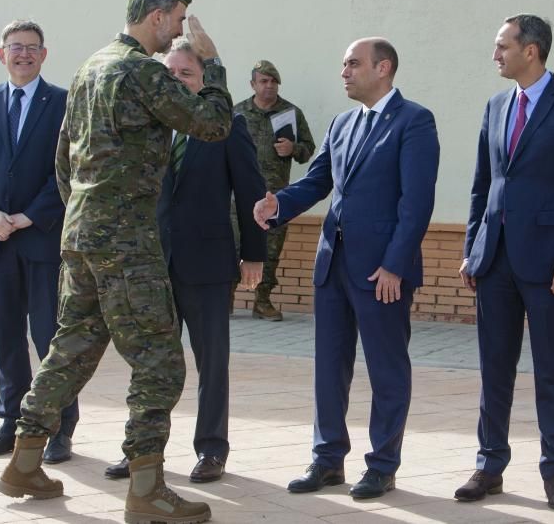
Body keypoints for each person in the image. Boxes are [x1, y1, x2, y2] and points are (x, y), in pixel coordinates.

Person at [0, 0, 232, 524]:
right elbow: (213, 124)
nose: (180, 31)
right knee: (160, 361)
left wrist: (86, 215)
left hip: (80, 235)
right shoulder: (142, 72)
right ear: (157, 16)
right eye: (177, 20)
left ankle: (25, 459)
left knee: (72, 345)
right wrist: (212, 63)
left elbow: (62, 157)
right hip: (127, 242)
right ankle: (147, 488)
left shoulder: (89, 66)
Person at [254, 37, 440, 500]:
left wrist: (396, 264)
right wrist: (278, 205)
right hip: (333, 265)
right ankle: (327, 458)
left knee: (386, 368)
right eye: (343, 64)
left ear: (384, 68)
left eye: (353, 64)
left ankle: (382, 465)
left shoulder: (414, 121)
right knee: (329, 368)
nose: (344, 72)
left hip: (382, 272)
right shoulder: (341, 123)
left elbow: (415, 204)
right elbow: (318, 181)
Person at [104, 40, 267, 483]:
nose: (177, 81)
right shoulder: (148, 125)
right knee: (151, 362)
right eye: (170, 74)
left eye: (186, 74)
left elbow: (251, 192)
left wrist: (253, 253)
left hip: (207, 265)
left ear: (203, 80)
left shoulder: (227, 126)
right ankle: (140, 450)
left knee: (212, 362)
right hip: (152, 265)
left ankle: (212, 449)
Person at [456, 14, 554, 510]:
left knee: (551, 372)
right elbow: (482, 185)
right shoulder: (496, 106)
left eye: (502, 46)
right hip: (494, 261)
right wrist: (473, 249)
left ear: (531, 50)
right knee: (493, 369)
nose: (495, 55)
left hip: (550, 266)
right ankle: (488, 465)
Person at [0, 20, 78, 463]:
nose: (23, 54)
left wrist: (29, 216)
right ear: (1, 54)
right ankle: (10, 422)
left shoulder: (63, 103)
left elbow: (67, 169)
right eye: (15, 47)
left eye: (31, 48)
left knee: (51, 340)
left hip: (42, 240)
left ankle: (60, 428)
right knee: (7, 339)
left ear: (44, 55)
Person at [233, 60, 316, 320]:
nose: (269, 86)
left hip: (274, 197)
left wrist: (294, 149)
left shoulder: (291, 112)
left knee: (270, 251)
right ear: (253, 84)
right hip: (239, 197)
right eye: (263, 81)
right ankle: (225, 298)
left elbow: (309, 149)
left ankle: (262, 301)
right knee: (232, 246)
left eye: (273, 82)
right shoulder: (237, 113)